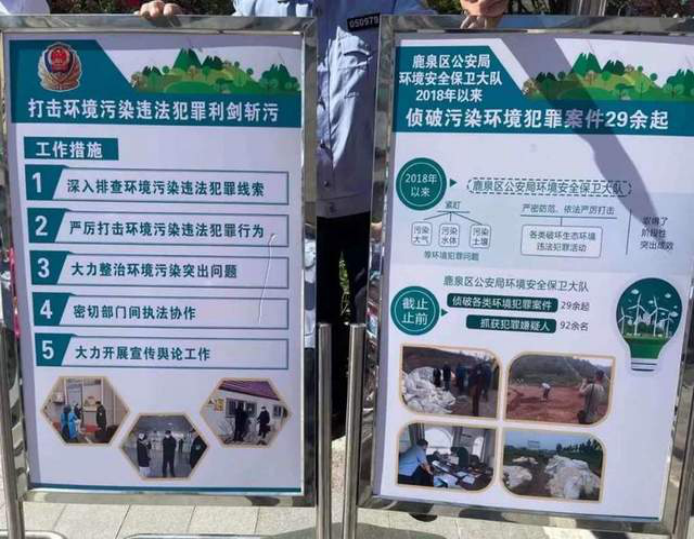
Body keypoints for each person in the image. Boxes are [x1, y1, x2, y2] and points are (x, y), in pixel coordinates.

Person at [137, 0, 509, 434]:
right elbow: (219, 67)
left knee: (372, 322)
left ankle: (377, 438)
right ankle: (319, 427)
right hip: (293, 212)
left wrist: (488, 14)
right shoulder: (258, 6)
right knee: (311, 323)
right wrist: (175, 26)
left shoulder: (386, 3)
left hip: (369, 210)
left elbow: (449, 43)